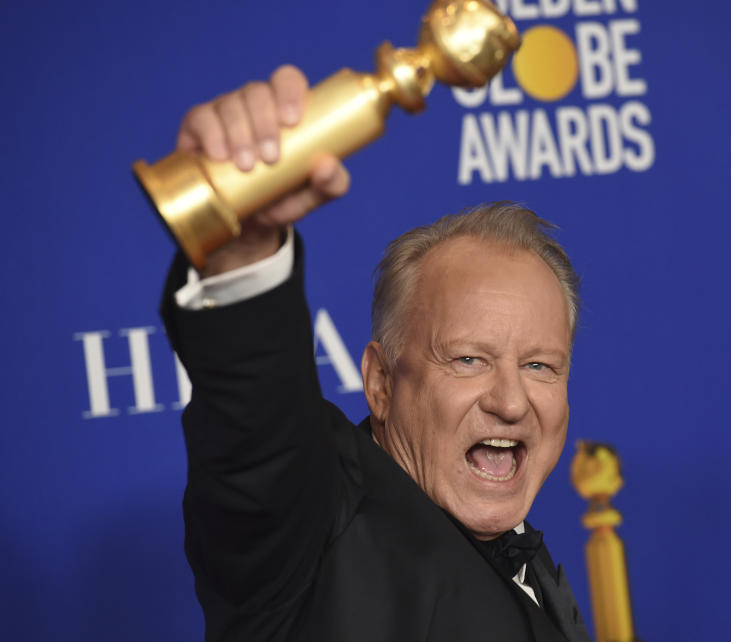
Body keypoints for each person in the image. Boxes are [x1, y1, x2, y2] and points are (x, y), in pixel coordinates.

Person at [162, 64, 591, 642]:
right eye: (468, 359)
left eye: (539, 365)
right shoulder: (320, 521)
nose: (511, 402)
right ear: (381, 383)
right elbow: (256, 439)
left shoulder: (524, 557)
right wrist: (242, 249)